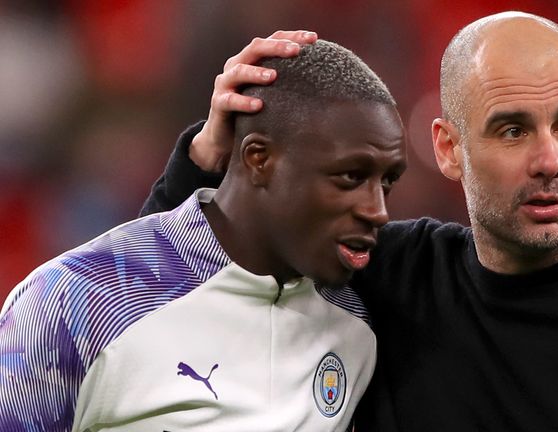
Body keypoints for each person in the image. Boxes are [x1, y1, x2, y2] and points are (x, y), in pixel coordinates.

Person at [147, 12, 558, 432]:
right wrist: (206, 158)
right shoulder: (378, 276)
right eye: (513, 130)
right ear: (447, 149)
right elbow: (143, 310)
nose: (550, 160)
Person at [0, 34, 407, 431]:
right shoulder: (73, 302)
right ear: (258, 158)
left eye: (386, 182)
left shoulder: (361, 321)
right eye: (350, 177)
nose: (378, 211)